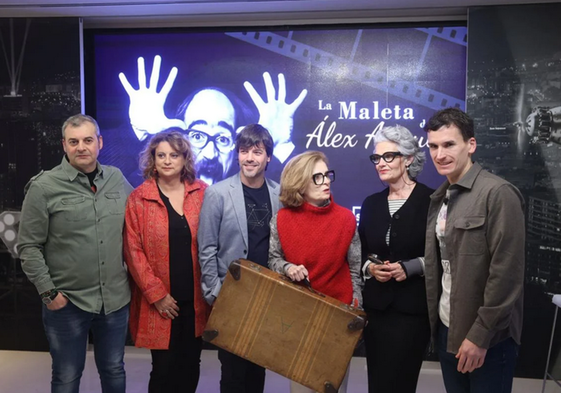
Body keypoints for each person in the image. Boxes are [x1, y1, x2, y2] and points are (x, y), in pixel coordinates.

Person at [17, 114, 132, 393]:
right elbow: (28, 247)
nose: (82, 147)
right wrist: (48, 293)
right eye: (74, 141)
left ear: (100, 143)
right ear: (64, 145)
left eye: (88, 140)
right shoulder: (44, 187)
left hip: (114, 301)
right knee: (67, 377)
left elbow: (140, 224)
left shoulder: (116, 178)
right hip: (68, 303)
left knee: (114, 369)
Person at [424, 108, 525, 393]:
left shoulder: (498, 193)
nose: (439, 154)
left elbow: (507, 274)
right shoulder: (441, 196)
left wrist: (480, 336)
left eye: (448, 144)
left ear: (471, 145)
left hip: (488, 338)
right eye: (433, 146)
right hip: (447, 327)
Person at [118, 55, 308, 185]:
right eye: (198, 136)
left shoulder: (253, 190)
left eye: (223, 139)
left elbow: (303, 196)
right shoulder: (152, 189)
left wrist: (281, 145)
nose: (210, 154)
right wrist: (142, 133)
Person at [123, 129, 211, 393]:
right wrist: (157, 294)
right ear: (152, 159)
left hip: (196, 301)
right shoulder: (139, 198)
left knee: (191, 365)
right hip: (160, 302)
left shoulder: (204, 193)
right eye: (161, 155)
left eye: (174, 155)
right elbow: (132, 250)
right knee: (163, 369)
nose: (167, 160)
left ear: (185, 159)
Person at [268, 150, 362, 393]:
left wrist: (355, 309)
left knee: (334, 387)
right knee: (301, 387)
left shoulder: (346, 219)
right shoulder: (281, 219)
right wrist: (288, 268)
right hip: (300, 317)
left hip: (338, 318)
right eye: (317, 177)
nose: (326, 181)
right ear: (300, 183)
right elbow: (274, 260)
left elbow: (354, 271)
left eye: (327, 175)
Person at [198, 124, 281, 393]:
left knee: (257, 371)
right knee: (233, 374)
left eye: (257, 152)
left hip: (266, 297)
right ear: (237, 155)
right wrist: (214, 292)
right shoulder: (218, 193)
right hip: (231, 298)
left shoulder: (279, 194)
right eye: (244, 151)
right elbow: (207, 248)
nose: (249, 158)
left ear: (268, 156)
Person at [358, 125, 433, 393]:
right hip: (376, 311)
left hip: (412, 312)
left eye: (388, 156)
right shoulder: (371, 203)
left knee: (401, 384)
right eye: (376, 158)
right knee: (377, 383)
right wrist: (370, 268)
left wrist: (410, 268)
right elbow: (361, 252)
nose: (381, 163)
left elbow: (442, 254)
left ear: (409, 159)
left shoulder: (431, 200)